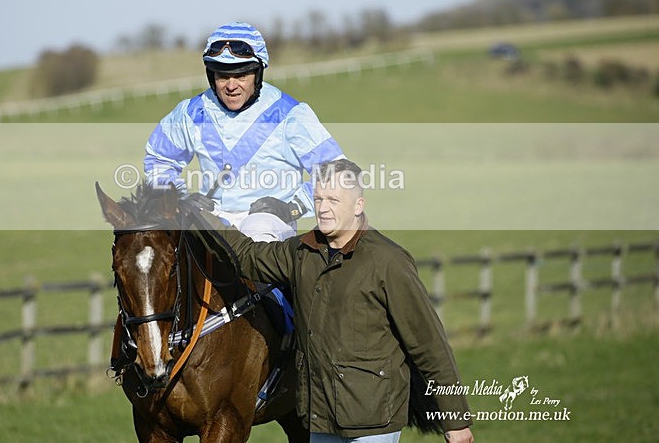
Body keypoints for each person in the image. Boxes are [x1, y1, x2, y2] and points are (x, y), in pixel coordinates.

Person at [185, 159, 474, 442]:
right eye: (319, 198)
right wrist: (200, 218)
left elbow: (429, 347)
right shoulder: (301, 252)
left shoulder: (388, 262)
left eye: (334, 200)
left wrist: (456, 421)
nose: (323, 208)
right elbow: (247, 255)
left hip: (373, 421)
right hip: (320, 418)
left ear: (358, 205)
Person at [144, 22, 343, 242]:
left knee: (257, 228)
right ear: (212, 76)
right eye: (222, 76)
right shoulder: (190, 113)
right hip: (212, 221)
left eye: (241, 76)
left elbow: (336, 172)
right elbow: (158, 159)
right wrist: (179, 199)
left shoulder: (292, 115)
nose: (231, 86)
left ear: (258, 75)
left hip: (269, 226)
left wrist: (293, 208)